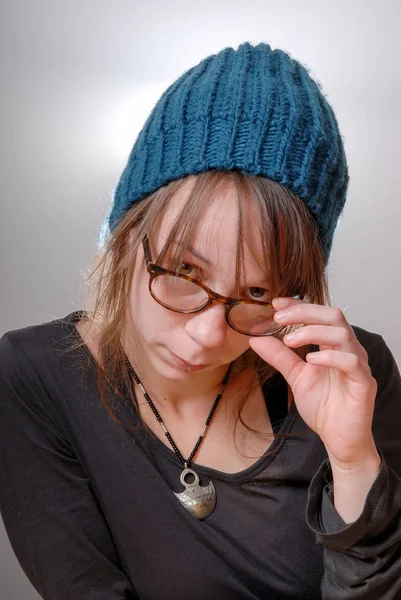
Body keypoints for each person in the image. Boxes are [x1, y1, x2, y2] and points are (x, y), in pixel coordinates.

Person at [0, 41, 401, 600]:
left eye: (257, 291)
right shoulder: (32, 376)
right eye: (185, 272)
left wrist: (355, 462)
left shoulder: (349, 374)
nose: (209, 335)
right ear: (127, 231)